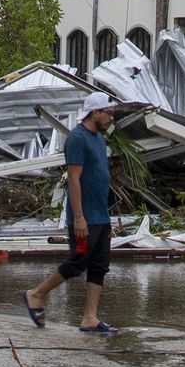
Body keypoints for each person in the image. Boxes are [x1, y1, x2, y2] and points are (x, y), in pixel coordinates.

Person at [22, 91, 118, 333]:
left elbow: (99, 178)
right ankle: (36, 294)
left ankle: (90, 318)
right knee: (78, 262)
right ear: (95, 112)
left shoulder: (98, 138)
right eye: (108, 113)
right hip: (84, 216)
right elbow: (74, 180)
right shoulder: (77, 138)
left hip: (101, 216)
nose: (110, 119)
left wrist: (107, 217)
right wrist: (79, 218)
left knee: (99, 265)